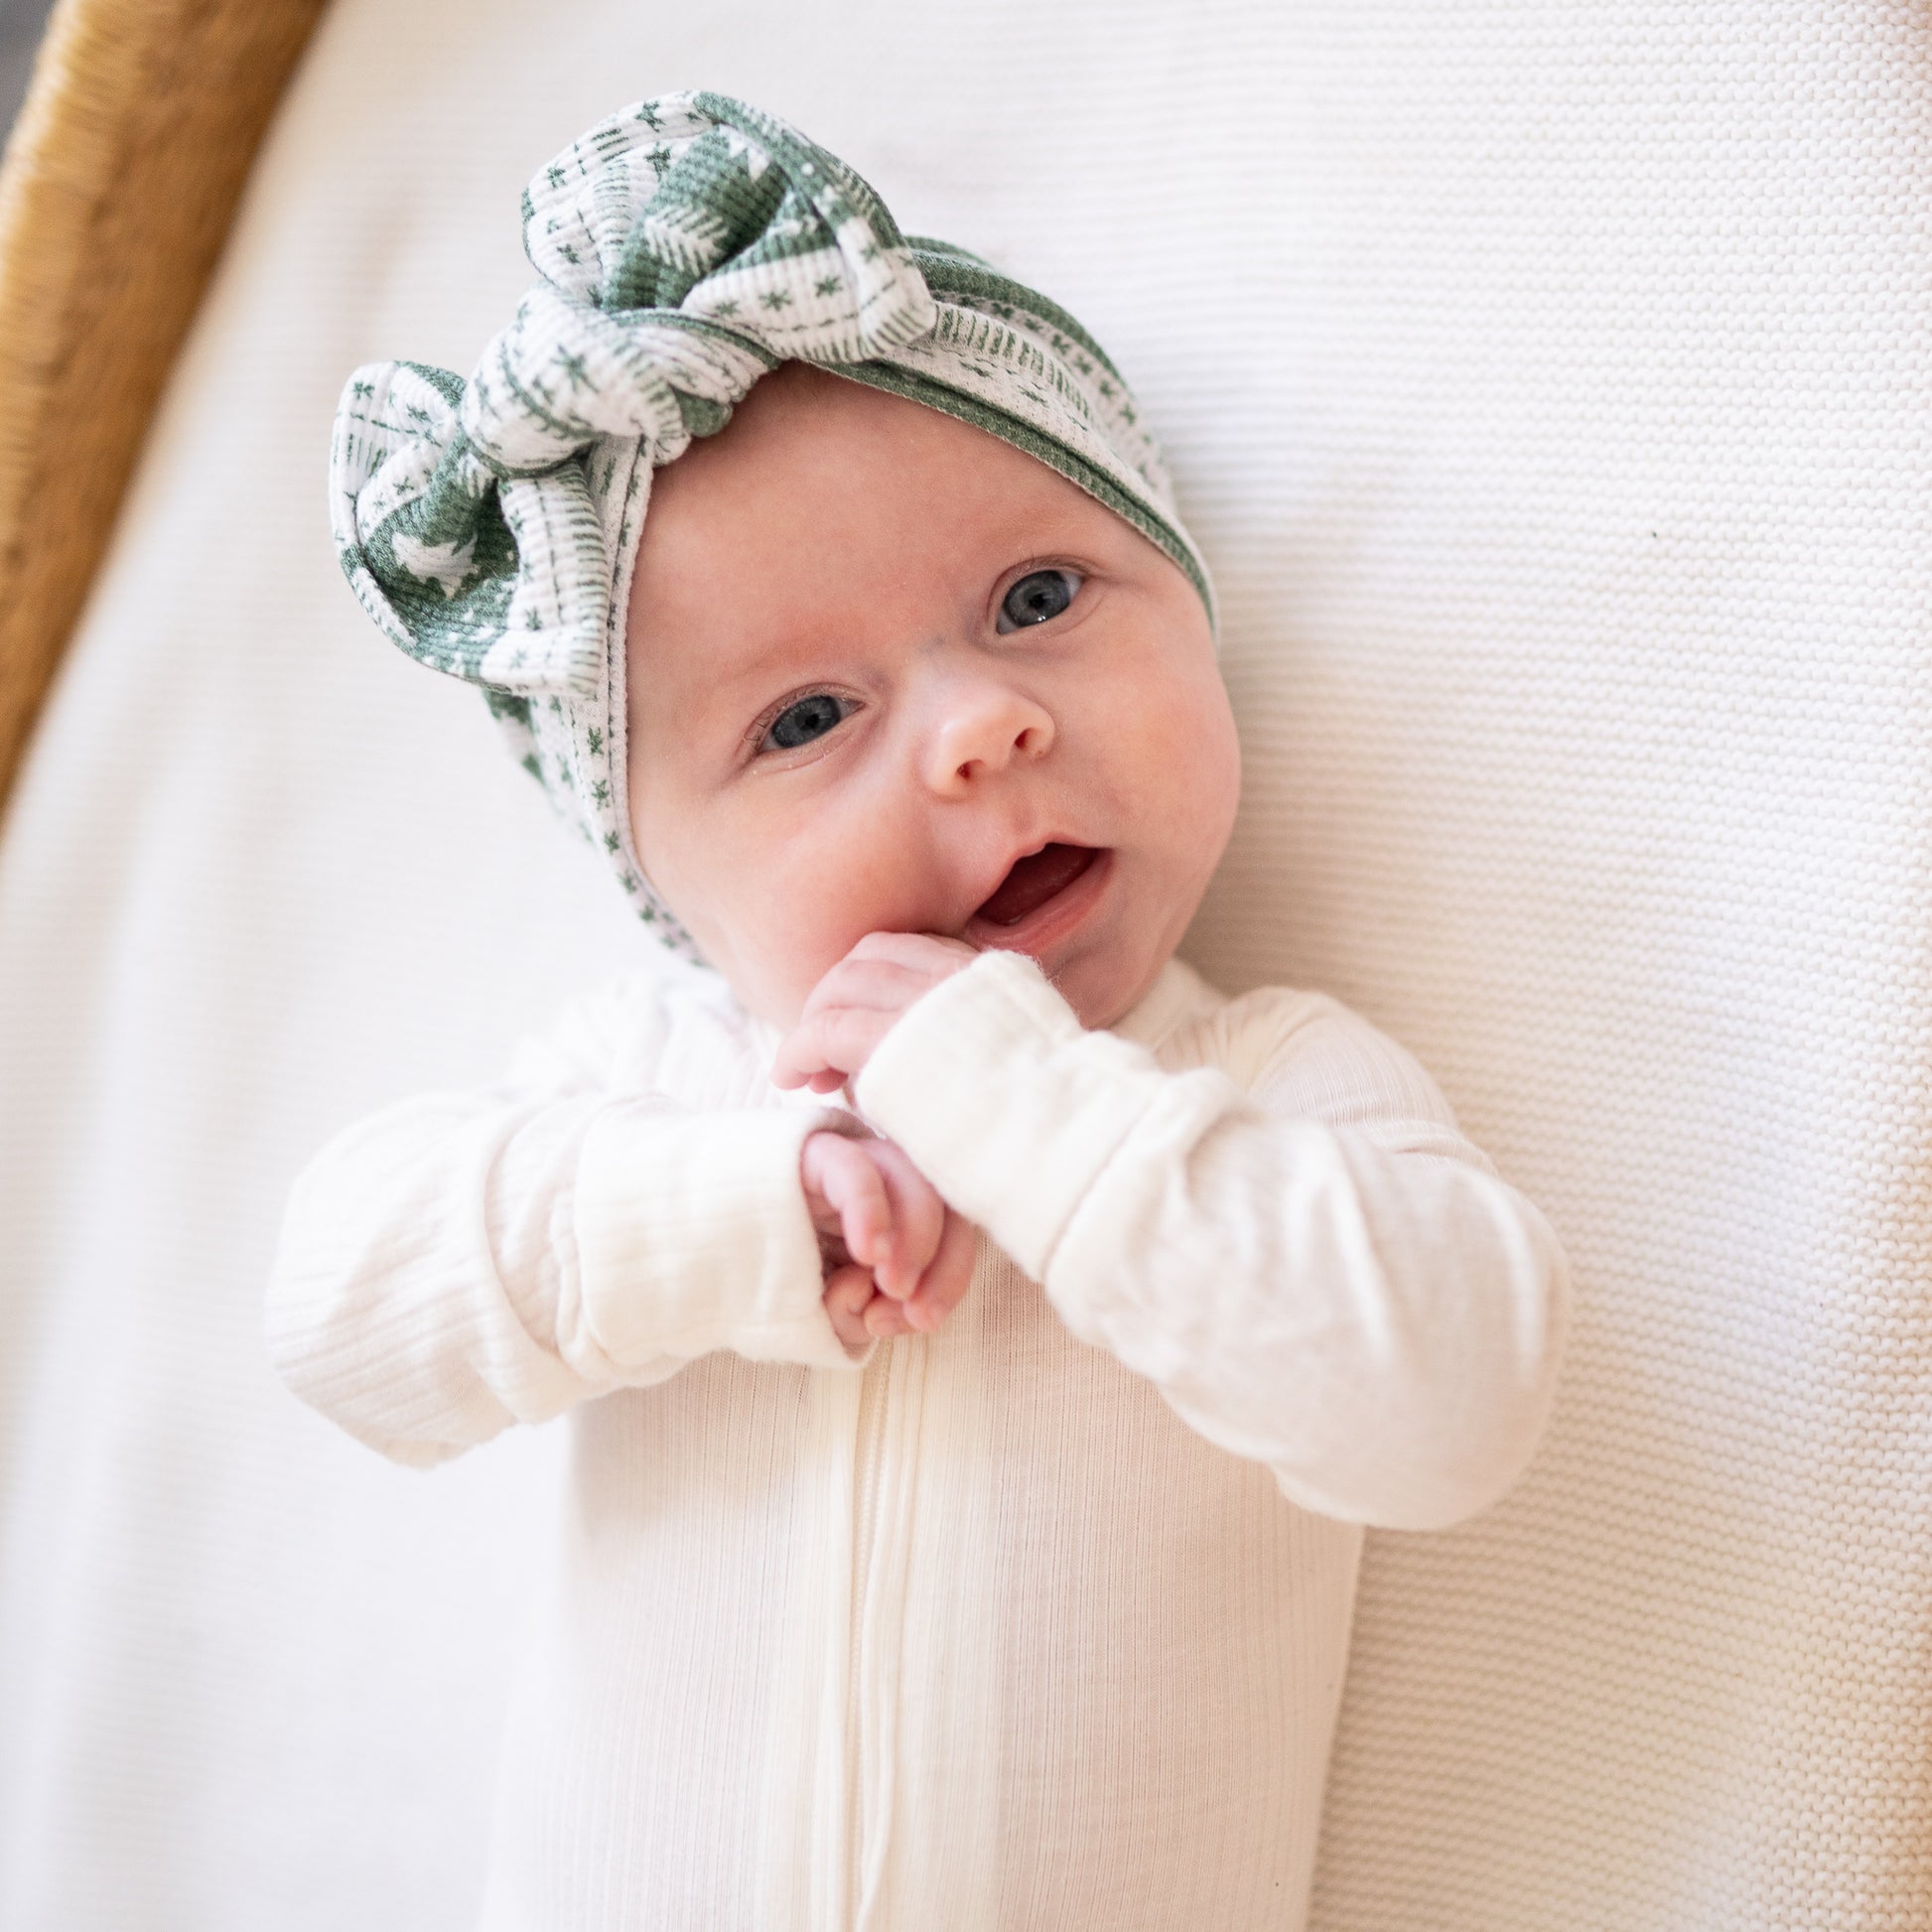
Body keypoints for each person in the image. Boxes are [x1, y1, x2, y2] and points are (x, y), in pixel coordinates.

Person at [270, 90, 1570, 1932]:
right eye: (804, 721)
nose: (980, 723)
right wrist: (728, 1210)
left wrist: (1022, 1103)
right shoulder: (649, 1090)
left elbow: (1450, 1401)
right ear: (664, 884)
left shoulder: (1256, 1090)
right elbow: (336, 1314)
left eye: (1040, 595)